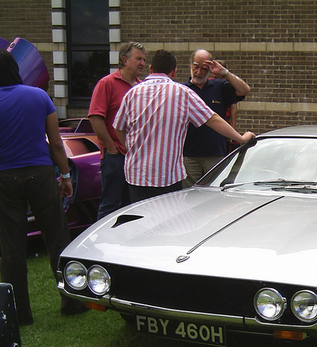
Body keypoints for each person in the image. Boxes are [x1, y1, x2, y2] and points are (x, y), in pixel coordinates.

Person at [0, 48, 85, 324]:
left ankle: (19, 313)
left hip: (3, 177)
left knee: (11, 246)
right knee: (57, 237)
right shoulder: (39, 96)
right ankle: (71, 301)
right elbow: (56, 144)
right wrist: (66, 177)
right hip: (41, 174)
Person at [113, 50, 255, 202]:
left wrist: (131, 149)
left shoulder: (132, 93)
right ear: (174, 72)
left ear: (150, 69)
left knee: (141, 220)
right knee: (169, 219)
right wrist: (240, 138)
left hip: (136, 175)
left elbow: (118, 127)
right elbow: (213, 119)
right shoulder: (182, 92)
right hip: (167, 176)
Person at [89, 42, 146, 220]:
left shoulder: (142, 87)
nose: (142, 63)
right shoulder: (106, 84)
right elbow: (95, 117)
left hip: (135, 157)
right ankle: (101, 244)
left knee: (132, 206)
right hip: (115, 157)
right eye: (138, 59)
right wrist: (111, 147)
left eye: (144, 59)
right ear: (124, 60)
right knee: (110, 205)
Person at [182, 49, 251, 186]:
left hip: (215, 154)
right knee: (189, 196)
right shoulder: (182, 89)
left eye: (204, 68)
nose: (199, 72)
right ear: (190, 65)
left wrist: (224, 72)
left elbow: (244, 90)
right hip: (189, 155)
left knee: (214, 194)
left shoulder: (220, 87)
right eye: (196, 67)